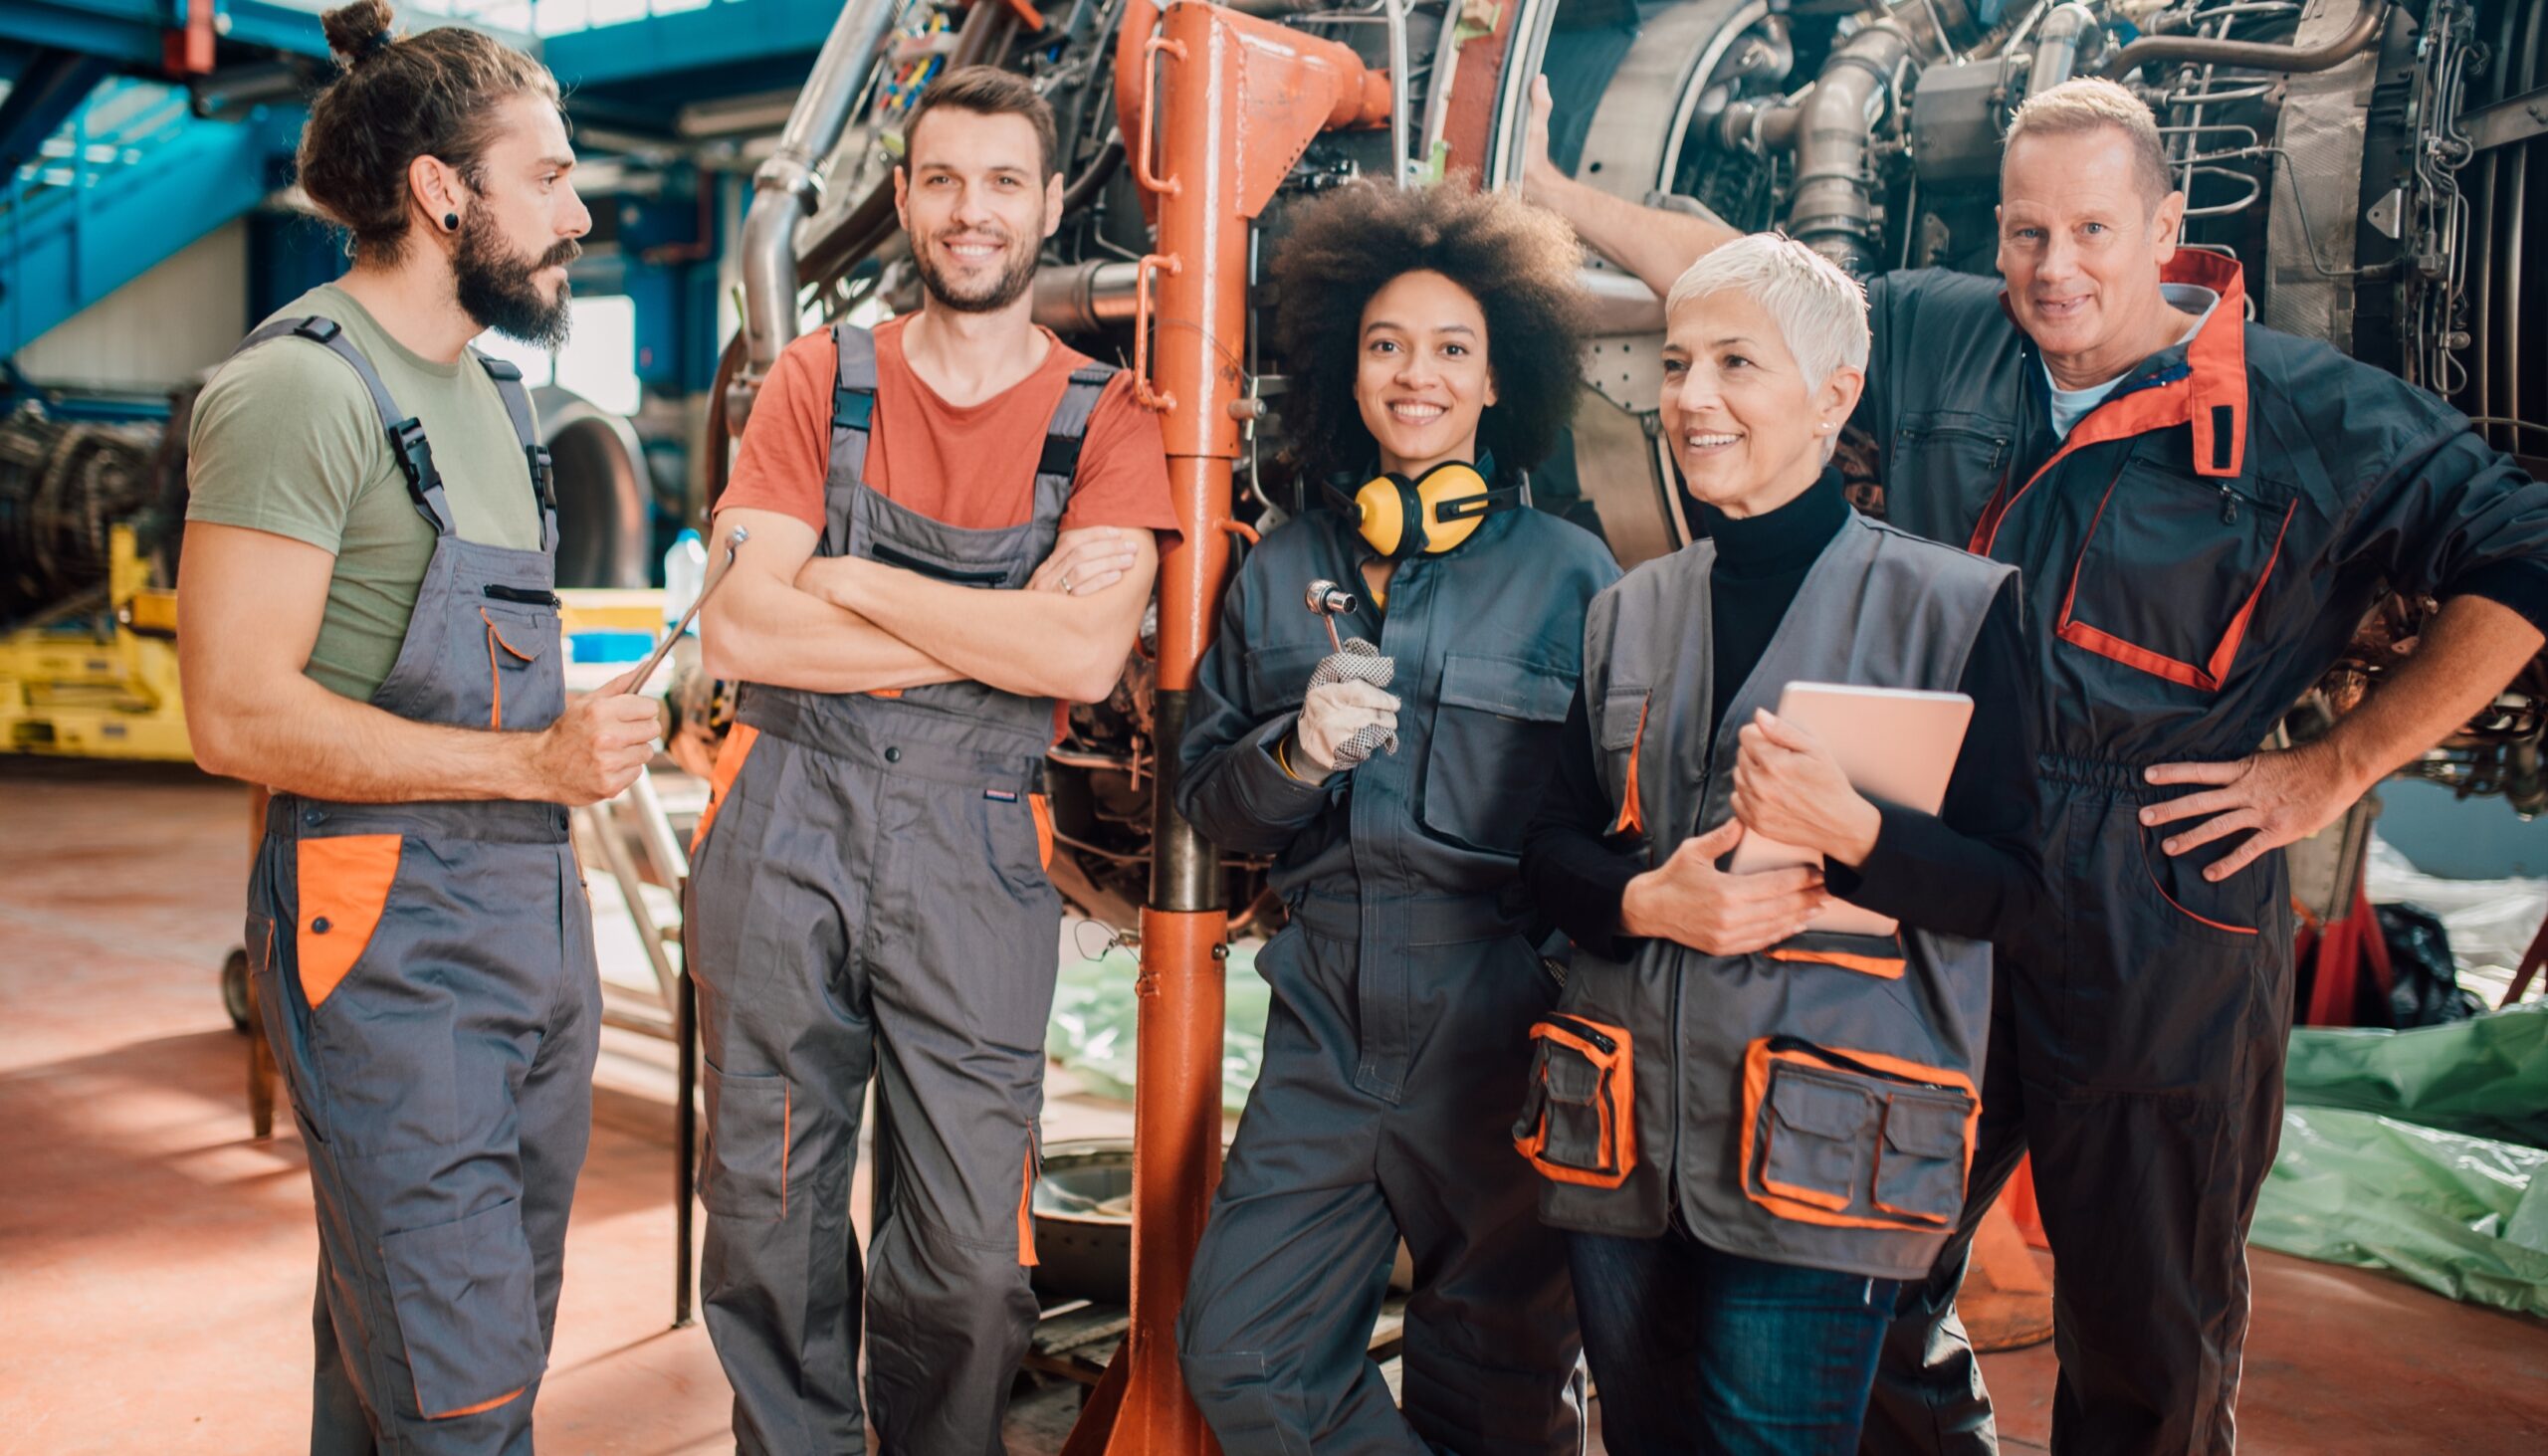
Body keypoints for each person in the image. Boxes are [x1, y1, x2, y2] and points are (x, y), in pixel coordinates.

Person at [1524, 75, 2548, 1455]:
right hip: (1942, 869)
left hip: (2159, 900)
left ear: (2166, 225)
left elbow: (2523, 552)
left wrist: (2334, 768)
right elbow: (1750, 292)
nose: (2054, 269)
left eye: (2091, 232)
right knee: (1855, 1253)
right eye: (2024, 234)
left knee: (2144, 1322)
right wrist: (1551, 189)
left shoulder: (2315, 415)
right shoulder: (1951, 337)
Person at [178, 4, 654, 1450]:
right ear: (444, 192)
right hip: (384, 948)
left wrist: (586, 742)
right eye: (550, 175)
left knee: (431, 1344)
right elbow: (233, 710)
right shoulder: (298, 391)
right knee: (464, 1390)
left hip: (529, 929)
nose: (580, 210)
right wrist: (533, 762)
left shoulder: (503, 402)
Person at [685, 66, 1178, 1454]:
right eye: (944, 181)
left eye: (1003, 182)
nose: (973, 213)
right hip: (786, 821)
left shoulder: (1108, 414)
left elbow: (1084, 662)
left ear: (1048, 202)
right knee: (768, 1219)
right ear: (902, 200)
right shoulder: (816, 377)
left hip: (975, 850)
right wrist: (993, 633)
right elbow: (739, 620)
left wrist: (851, 581)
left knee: (968, 1257)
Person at [1518, 232, 2043, 1455]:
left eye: (1735, 364)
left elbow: (2016, 890)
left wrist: (1856, 833)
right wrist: (1650, 900)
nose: (1692, 397)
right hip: (1623, 1146)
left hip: (1816, 1154)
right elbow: (1542, 849)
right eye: (1677, 361)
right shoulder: (1625, 608)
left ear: (1834, 394)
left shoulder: (1954, 609)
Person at [1171, 180, 1615, 1456]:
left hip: (1500, 1020)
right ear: (1345, 371)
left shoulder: (1571, 575)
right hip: (1322, 1015)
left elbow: (1611, 816)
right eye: (1384, 346)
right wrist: (1294, 751)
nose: (1414, 375)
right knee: (1241, 1353)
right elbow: (1210, 800)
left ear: (1497, 381)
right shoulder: (1280, 567)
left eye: (1450, 349)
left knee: (1501, 1388)